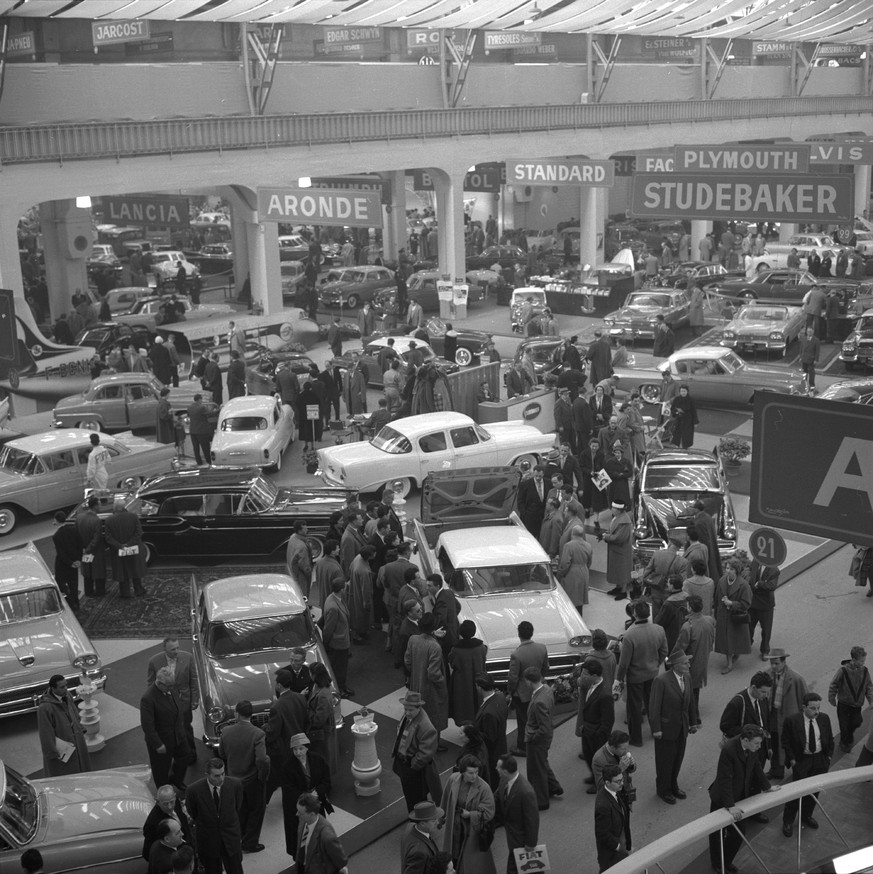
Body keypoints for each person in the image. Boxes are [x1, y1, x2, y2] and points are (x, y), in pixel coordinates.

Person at [709, 725, 778, 874]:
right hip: (723, 798)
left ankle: (725, 861)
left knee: (737, 833)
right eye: (757, 743)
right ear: (745, 740)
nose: (759, 747)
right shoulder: (729, 750)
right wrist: (730, 805)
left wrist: (767, 787)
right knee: (717, 834)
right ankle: (717, 863)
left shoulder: (751, 748)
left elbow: (757, 766)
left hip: (739, 795)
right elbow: (724, 778)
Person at [614, 600, 668, 748]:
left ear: (634, 614)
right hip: (652, 673)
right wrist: (656, 663)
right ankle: (655, 729)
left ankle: (636, 739)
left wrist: (618, 679)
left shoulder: (629, 635)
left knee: (634, 708)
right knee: (652, 703)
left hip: (635, 677)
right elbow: (664, 651)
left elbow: (624, 663)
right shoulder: (659, 630)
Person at [218, 700, 269, 854]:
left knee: (240, 809)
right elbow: (261, 759)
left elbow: (221, 754)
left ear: (237, 714)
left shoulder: (226, 732)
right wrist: (263, 776)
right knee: (256, 810)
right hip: (252, 780)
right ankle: (250, 842)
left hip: (233, 779)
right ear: (251, 714)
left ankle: (239, 836)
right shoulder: (258, 734)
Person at [781, 692, 834, 838]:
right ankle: (788, 821)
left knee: (814, 791)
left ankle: (806, 816)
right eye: (812, 708)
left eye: (818, 708)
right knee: (796, 792)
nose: (816, 712)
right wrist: (793, 761)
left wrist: (828, 757)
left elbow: (829, 738)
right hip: (801, 760)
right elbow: (785, 742)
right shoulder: (792, 721)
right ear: (804, 707)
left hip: (820, 760)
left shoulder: (824, 718)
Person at [649, 650, 696, 804]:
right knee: (665, 761)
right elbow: (654, 707)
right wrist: (656, 729)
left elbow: (690, 701)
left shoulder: (687, 677)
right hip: (666, 729)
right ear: (675, 666)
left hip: (681, 728)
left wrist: (694, 722)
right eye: (685, 662)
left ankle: (673, 785)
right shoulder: (661, 681)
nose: (688, 664)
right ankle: (664, 790)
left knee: (678, 759)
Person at [439, 754, 497, 873]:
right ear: (462, 772)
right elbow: (445, 799)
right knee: (453, 850)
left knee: (470, 861)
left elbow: (489, 813)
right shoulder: (453, 779)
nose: (474, 776)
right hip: (454, 825)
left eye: (476, 772)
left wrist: (471, 814)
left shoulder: (484, 788)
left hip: (471, 831)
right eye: (470, 773)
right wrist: (441, 817)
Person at [185, 758, 244, 874]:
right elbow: (193, 812)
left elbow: (237, 807)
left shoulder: (235, 784)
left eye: (223, 774)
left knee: (236, 870)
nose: (221, 778)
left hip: (231, 837)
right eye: (216, 776)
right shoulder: (193, 791)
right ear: (207, 774)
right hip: (208, 840)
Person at [147, 637, 199, 768]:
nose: (176, 651)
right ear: (164, 649)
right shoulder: (154, 661)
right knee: (170, 731)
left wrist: (195, 699)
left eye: (177, 648)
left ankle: (191, 755)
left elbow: (193, 679)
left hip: (184, 702)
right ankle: (174, 757)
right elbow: (151, 684)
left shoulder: (188, 657)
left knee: (186, 728)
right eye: (172, 649)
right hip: (165, 705)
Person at [280, 734, 333, 858]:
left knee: (317, 832)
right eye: (295, 749)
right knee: (300, 837)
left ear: (307, 748)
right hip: (298, 809)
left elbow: (326, 781)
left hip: (316, 805)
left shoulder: (318, 760)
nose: (298, 752)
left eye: (301, 749)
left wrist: (317, 792)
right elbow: (288, 790)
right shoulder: (287, 767)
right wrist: (306, 796)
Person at [392, 691, 442, 812]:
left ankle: (419, 823)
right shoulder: (409, 716)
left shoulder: (426, 726)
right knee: (409, 796)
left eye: (410, 710)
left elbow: (426, 753)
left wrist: (412, 767)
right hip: (405, 764)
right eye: (405, 709)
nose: (407, 712)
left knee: (417, 799)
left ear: (418, 708)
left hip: (414, 770)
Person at [264, 668, 309, 799]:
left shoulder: (277, 707)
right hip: (302, 743)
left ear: (279, 685)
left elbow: (272, 733)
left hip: (286, 748)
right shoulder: (300, 697)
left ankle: (267, 800)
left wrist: (264, 726)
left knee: (277, 776)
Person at [506, 621, 549, 756]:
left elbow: (513, 678)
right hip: (539, 688)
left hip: (522, 694)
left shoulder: (516, 654)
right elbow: (546, 667)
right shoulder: (542, 648)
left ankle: (523, 747)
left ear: (519, 634)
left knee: (523, 719)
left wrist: (510, 692)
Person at [406, 613, 449, 746]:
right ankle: (432, 745)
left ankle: (418, 741)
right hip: (431, 689)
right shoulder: (435, 646)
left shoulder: (413, 639)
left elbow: (407, 662)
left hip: (415, 684)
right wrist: (443, 682)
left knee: (418, 716)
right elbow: (433, 673)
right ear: (433, 628)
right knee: (434, 717)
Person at [523, 666, 562, 810]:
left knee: (536, 770)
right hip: (544, 738)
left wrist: (533, 738)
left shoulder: (539, 701)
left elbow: (543, 728)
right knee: (542, 763)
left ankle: (542, 801)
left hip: (537, 740)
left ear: (528, 681)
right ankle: (553, 787)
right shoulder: (546, 689)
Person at [37, 675, 91, 776]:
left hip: (76, 740)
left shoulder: (67, 695)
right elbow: (45, 732)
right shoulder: (44, 708)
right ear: (53, 689)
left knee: (81, 769)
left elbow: (74, 713)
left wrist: (81, 728)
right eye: (62, 687)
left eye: (66, 685)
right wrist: (51, 752)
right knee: (65, 774)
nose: (65, 688)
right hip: (62, 748)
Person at [720, 672, 773, 776]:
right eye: (763, 692)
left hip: (760, 749)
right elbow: (725, 726)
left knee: (757, 778)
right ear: (753, 687)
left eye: (767, 692)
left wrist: (769, 746)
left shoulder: (763, 699)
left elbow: (765, 723)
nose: (766, 695)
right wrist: (749, 732)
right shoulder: (737, 703)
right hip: (746, 751)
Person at [767, 648, 809, 779]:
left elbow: (806, 700)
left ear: (784, 662)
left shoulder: (796, 679)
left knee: (792, 748)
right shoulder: (767, 675)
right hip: (773, 719)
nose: (773, 666)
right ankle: (776, 770)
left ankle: (798, 772)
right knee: (774, 745)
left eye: (777, 663)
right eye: (771, 663)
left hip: (788, 721)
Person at [495, 754, 539, 874]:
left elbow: (532, 820)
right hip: (513, 836)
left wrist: (530, 843)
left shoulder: (525, 791)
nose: (495, 769)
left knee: (522, 868)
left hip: (521, 839)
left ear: (504, 771)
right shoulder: (504, 780)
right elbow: (497, 797)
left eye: (498, 767)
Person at [676, 595, 716, 727]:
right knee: (695, 690)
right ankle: (695, 716)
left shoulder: (687, 627)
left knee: (688, 691)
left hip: (690, 663)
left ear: (690, 608)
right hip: (703, 660)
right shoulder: (709, 620)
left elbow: (679, 648)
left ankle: (694, 718)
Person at [576, 658, 615, 787]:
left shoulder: (605, 695)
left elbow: (608, 721)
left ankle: (600, 783)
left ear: (594, 676)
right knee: (588, 756)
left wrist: (599, 736)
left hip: (596, 735)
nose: (582, 677)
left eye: (584, 674)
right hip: (587, 730)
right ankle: (594, 777)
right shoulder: (590, 685)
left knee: (598, 760)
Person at [828, 645, 873, 753]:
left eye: (864, 661)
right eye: (861, 661)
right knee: (844, 726)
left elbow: (869, 687)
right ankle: (844, 742)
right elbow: (834, 684)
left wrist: (871, 701)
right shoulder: (843, 671)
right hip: (843, 705)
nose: (863, 663)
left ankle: (848, 737)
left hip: (857, 705)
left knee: (857, 722)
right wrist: (832, 698)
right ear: (853, 660)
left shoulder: (865, 671)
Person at [714, 557, 752, 674]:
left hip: (736, 617)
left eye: (730, 569)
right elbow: (716, 598)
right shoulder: (722, 581)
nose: (727, 571)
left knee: (735, 639)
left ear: (736, 570)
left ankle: (736, 654)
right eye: (726, 568)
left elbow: (746, 603)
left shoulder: (743, 585)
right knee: (727, 641)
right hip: (723, 616)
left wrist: (732, 603)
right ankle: (729, 664)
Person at [294, 791, 349, 873]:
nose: (297, 814)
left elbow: (341, 860)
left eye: (300, 813)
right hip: (303, 867)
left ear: (311, 814)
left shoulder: (327, 836)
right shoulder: (303, 819)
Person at [105, 496, 147, 598]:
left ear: (115, 508)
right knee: (135, 569)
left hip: (118, 550)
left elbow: (108, 537)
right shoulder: (133, 516)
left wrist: (120, 546)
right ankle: (139, 590)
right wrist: (129, 544)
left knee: (122, 571)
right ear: (124, 506)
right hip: (133, 548)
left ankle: (125, 593)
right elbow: (139, 532)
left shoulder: (109, 520)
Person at [449, 620, 488, 727]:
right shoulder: (481, 647)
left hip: (461, 683)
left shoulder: (456, 649)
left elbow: (452, 663)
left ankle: (466, 728)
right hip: (478, 682)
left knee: (463, 707)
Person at [141, 784, 193, 862]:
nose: (169, 806)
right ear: (158, 802)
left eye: (171, 802)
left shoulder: (176, 803)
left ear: (175, 797)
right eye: (165, 804)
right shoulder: (153, 823)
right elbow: (148, 853)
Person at [595, 763, 632, 872]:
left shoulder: (614, 790)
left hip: (620, 841)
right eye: (618, 781)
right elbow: (602, 833)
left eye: (622, 779)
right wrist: (619, 847)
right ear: (607, 782)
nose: (622, 783)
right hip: (611, 854)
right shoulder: (603, 806)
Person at [475, 674, 509, 791]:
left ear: (479, 687)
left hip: (492, 754)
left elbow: (490, 737)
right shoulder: (500, 697)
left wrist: (472, 733)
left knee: (493, 784)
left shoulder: (488, 713)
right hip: (501, 746)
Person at [322, 578, 354, 698]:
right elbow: (328, 628)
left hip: (342, 640)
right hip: (338, 643)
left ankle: (342, 686)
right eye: (345, 587)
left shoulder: (334, 598)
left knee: (341, 666)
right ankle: (340, 689)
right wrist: (326, 644)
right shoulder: (333, 607)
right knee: (339, 667)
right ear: (341, 589)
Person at [307, 662, 339, 772]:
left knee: (324, 759)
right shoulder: (318, 686)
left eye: (310, 673)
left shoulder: (323, 695)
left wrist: (307, 710)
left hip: (323, 733)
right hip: (322, 732)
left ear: (315, 675)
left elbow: (318, 720)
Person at [644, 537, 688, 615]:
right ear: (678, 548)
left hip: (656, 591)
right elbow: (683, 581)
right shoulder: (683, 561)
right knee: (668, 618)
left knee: (657, 617)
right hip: (671, 596)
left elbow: (647, 571)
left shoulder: (657, 554)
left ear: (669, 543)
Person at [600, 501, 633, 601]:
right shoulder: (617, 518)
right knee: (617, 569)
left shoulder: (625, 522)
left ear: (619, 510)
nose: (611, 510)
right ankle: (618, 587)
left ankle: (623, 591)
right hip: (615, 550)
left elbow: (619, 538)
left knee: (622, 570)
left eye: (613, 508)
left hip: (621, 550)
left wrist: (606, 537)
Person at [748, 559, 779, 661]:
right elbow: (749, 574)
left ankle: (765, 650)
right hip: (753, 602)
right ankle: (748, 642)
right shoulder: (755, 562)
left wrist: (760, 584)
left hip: (765, 605)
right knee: (749, 625)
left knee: (766, 629)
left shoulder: (774, 569)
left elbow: (772, 586)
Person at [77, 494, 107, 598]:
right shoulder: (96, 520)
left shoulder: (79, 517)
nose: (100, 507)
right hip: (95, 551)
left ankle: (88, 591)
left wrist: (83, 549)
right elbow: (96, 538)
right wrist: (89, 550)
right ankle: (100, 591)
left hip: (84, 549)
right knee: (98, 572)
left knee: (87, 572)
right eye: (99, 505)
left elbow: (76, 534)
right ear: (95, 506)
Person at [556, 526, 592, 612]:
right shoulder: (588, 545)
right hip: (584, 572)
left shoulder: (569, 546)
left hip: (571, 574)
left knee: (570, 599)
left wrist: (560, 574)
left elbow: (565, 564)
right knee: (580, 600)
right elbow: (589, 562)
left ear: (572, 534)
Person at [401, 800, 442, 874]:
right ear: (422, 823)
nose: (438, 823)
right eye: (433, 821)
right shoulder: (419, 852)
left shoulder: (410, 827)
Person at [52, 511, 82, 611]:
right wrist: (78, 560)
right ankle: (76, 604)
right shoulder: (74, 529)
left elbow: (61, 553)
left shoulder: (56, 536)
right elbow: (79, 546)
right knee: (73, 584)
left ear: (56, 520)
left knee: (60, 583)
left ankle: (69, 602)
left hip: (63, 564)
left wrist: (70, 563)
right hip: (75, 561)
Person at [654, 575, 688, 653]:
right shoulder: (687, 597)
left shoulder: (669, 604)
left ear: (672, 586)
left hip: (672, 636)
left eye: (668, 583)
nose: (667, 585)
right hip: (684, 633)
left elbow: (660, 622)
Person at [348, 545, 374, 643]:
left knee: (355, 613)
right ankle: (358, 636)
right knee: (361, 616)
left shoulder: (358, 558)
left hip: (354, 588)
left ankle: (359, 633)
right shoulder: (364, 571)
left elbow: (350, 568)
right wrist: (367, 603)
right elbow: (365, 589)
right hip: (361, 595)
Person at [693, 499, 723, 583]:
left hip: (706, 550)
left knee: (710, 567)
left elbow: (702, 539)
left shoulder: (699, 522)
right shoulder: (708, 518)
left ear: (696, 509)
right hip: (712, 546)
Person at [516, 464, 548, 538]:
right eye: (536, 475)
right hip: (530, 519)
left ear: (543, 474)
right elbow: (520, 501)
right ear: (533, 473)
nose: (538, 478)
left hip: (543, 518)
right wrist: (525, 514)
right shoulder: (525, 485)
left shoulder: (548, 483)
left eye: (540, 476)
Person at [286, 519, 313, 598]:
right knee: (303, 594)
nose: (307, 530)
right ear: (300, 531)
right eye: (305, 528)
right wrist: (309, 574)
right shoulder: (302, 547)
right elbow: (305, 566)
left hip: (292, 570)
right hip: (300, 575)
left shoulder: (293, 537)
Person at [187, 394, 214, 466]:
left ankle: (199, 462)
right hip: (201, 431)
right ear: (199, 399)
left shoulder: (189, 407)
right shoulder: (201, 407)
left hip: (193, 430)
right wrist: (219, 409)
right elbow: (210, 413)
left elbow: (189, 415)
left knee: (196, 448)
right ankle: (208, 461)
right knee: (205, 447)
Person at [669, 384, 698, 448]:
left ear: (687, 391)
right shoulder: (677, 399)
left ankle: (686, 447)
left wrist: (695, 422)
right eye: (681, 391)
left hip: (688, 420)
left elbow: (694, 411)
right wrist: (676, 413)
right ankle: (677, 446)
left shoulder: (691, 400)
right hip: (679, 420)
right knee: (677, 434)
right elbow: (672, 409)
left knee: (687, 435)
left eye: (684, 391)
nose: (683, 393)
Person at [799, 325, 820, 394]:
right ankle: (804, 385)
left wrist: (816, 359)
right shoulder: (804, 339)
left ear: (813, 332)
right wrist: (800, 357)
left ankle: (812, 385)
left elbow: (817, 351)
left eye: (810, 331)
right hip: (804, 358)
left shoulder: (816, 340)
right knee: (804, 373)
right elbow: (801, 349)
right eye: (808, 331)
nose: (809, 333)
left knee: (811, 372)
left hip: (811, 359)